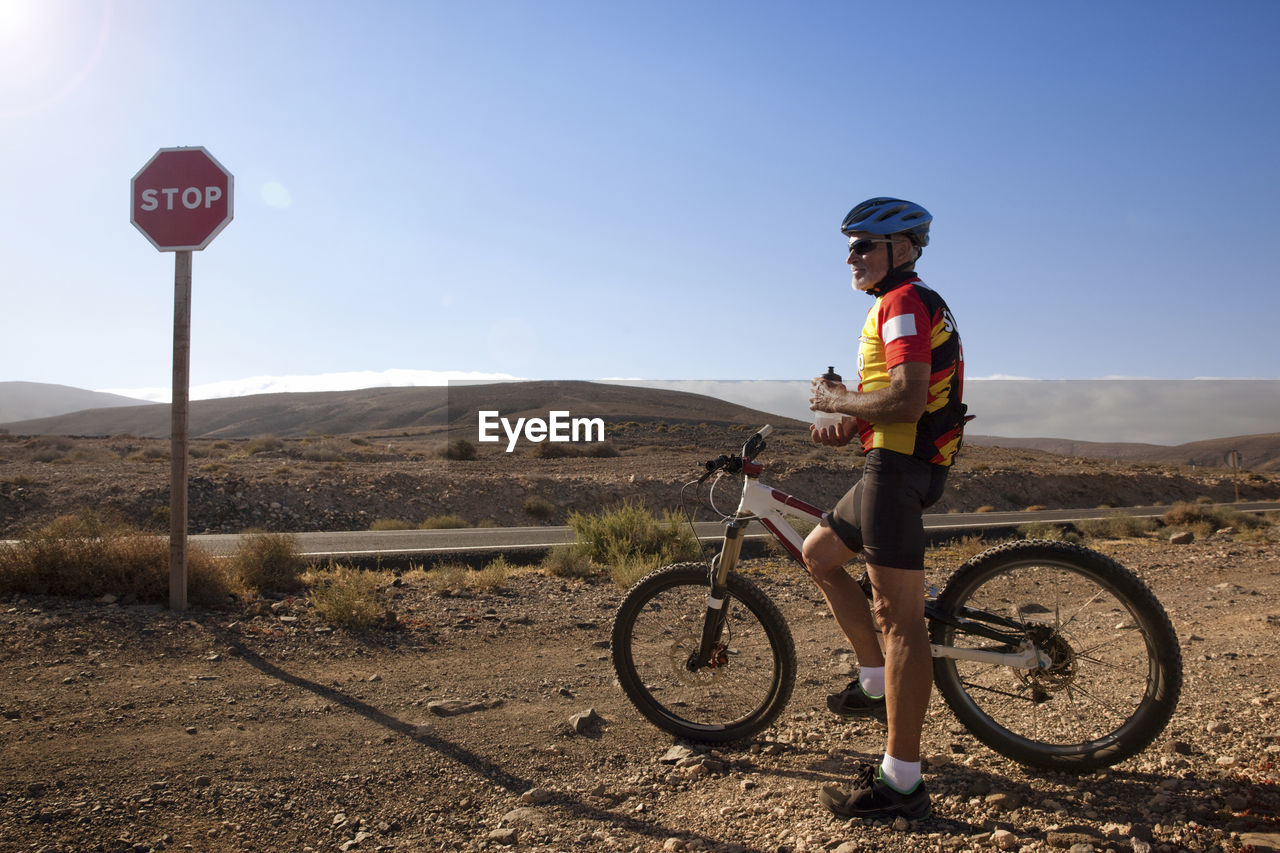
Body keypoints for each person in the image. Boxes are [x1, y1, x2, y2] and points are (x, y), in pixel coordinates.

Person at [803, 197, 967, 821]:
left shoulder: (902, 303)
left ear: (902, 249)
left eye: (865, 245)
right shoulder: (894, 305)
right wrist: (845, 421)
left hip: (897, 470)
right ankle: (876, 682)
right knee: (819, 555)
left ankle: (901, 782)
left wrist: (840, 399)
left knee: (899, 621)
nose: (852, 256)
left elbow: (905, 399)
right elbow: (895, 402)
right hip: (893, 462)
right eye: (849, 246)